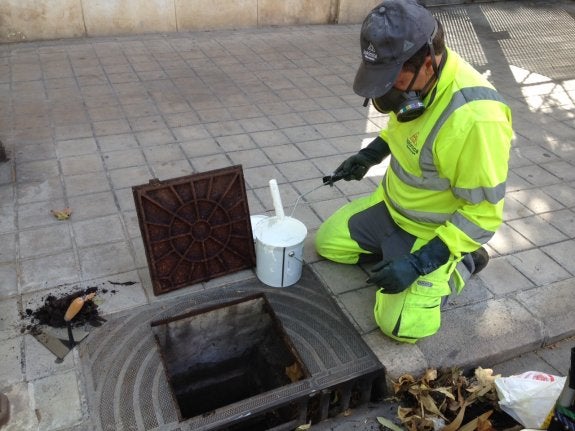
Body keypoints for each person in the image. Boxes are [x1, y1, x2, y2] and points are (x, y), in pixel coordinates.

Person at [315, 0, 513, 343]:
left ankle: (463, 261)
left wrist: (419, 263)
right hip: (392, 208)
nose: (388, 92)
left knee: (402, 328)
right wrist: (369, 154)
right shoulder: (416, 87)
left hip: (433, 231)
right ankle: (394, 251)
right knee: (327, 244)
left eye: (392, 80)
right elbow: (402, 130)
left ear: (428, 61)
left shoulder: (477, 119)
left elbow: (483, 215)